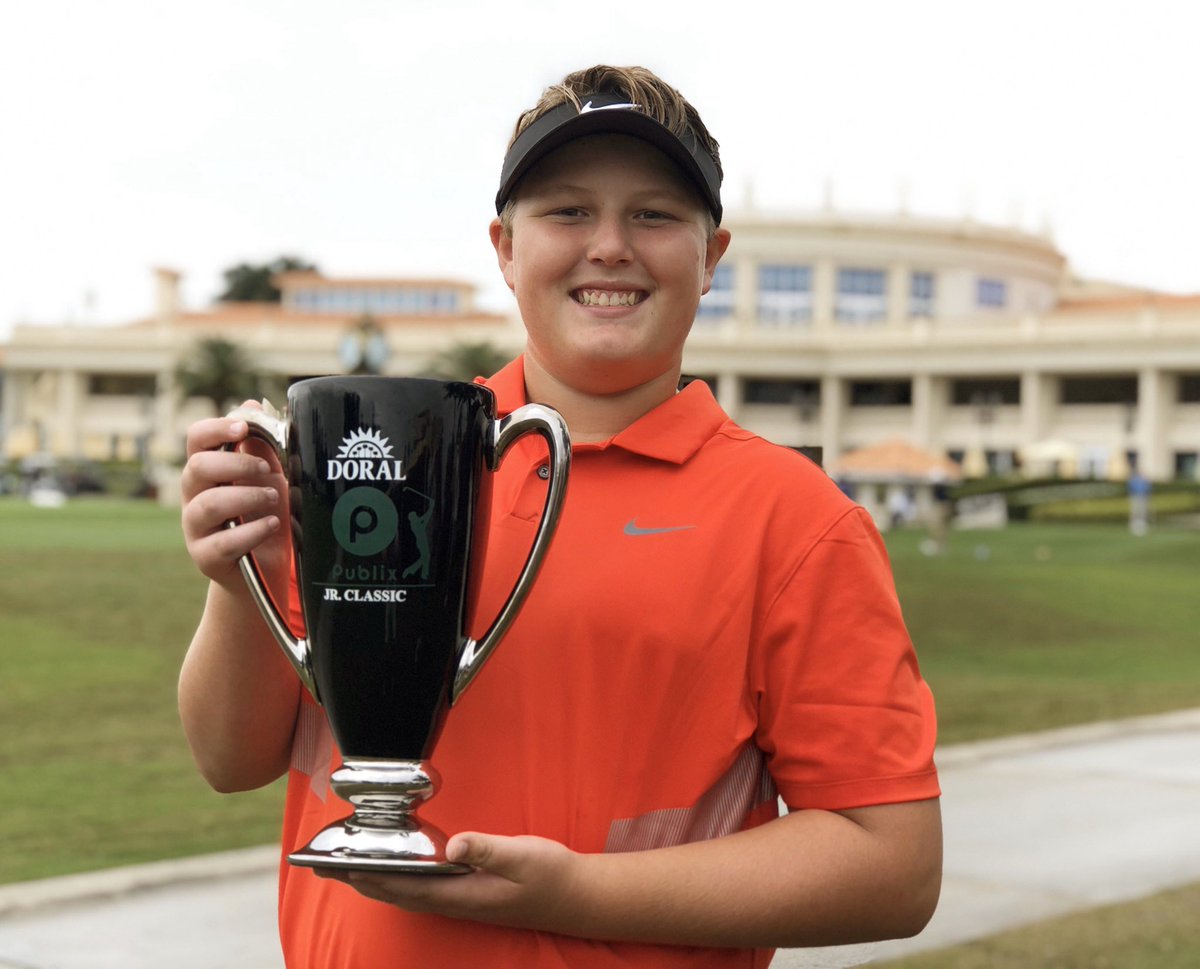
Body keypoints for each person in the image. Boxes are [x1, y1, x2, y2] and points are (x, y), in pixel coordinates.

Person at [179, 65, 941, 968]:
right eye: (568, 212)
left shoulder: (795, 521)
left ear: (712, 257)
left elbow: (891, 866)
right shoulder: (377, 466)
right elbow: (234, 759)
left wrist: (575, 893)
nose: (610, 245)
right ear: (504, 247)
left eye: (654, 215)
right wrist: (241, 583)